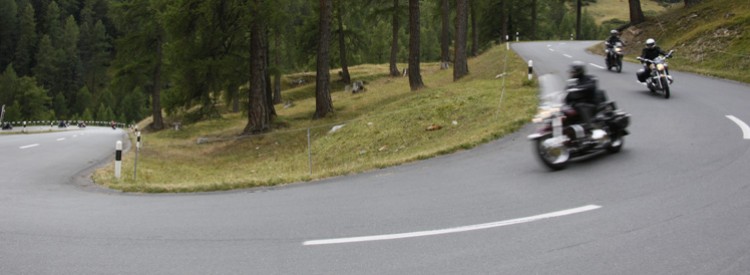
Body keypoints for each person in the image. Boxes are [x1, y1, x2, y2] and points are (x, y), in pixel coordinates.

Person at [564, 61, 600, 131]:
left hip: (589, 103)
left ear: (579, 71)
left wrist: (580, 88)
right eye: (571, 72)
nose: (572, 73)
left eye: (573, 72)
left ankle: (589, 126)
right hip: (575, 104)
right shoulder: (572, 81)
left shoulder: (589, 78)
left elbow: (591, 86)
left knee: (580, 105)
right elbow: (567, 90)